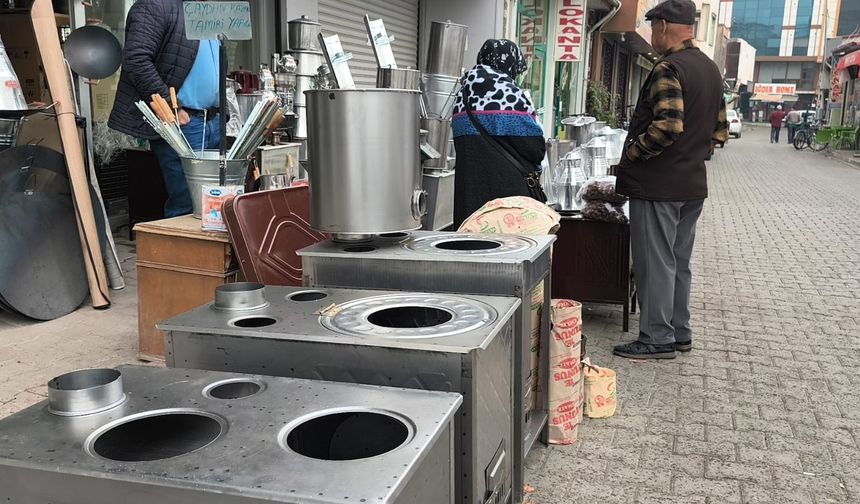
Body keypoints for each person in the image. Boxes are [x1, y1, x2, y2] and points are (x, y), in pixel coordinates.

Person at [611, 0, 728, 360]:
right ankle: (679, 332)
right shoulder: (710, 69)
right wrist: (691, 155)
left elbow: (667, 126)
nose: (651, 35)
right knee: (677, 261)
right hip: (692, 185)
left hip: (658, 186)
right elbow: (720, 132)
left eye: (652, 27)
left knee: (655, 261)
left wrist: (631, 154)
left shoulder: (669, 68)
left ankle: (656, 338)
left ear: (663, 25)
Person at [109, 0, 221, 217]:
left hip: (212, 120)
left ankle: (208, 252)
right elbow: (136, 59)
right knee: (188, 204)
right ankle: (182, 251)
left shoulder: (204, 13)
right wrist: (171, 109)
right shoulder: (155, 5)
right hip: (181, 121)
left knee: (213, 203)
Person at [451, 39, 546, 227]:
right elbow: (535, 149)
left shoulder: (463, 97)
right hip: (508, 202)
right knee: (508, 251)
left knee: (472, 250)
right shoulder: (510, 96)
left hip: (469, 200)